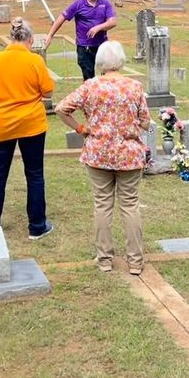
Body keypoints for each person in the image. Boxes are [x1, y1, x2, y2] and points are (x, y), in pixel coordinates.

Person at [56, 40, 150, 271]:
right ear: (121, 61)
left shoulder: (90, 86)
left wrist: (81, 128)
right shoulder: (134, 87)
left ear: (100, 62)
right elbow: (146, 121)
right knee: (130, 206)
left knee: (102, 204)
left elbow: (61, 108)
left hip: (98, 153)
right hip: (128, 154)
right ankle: (135, 261)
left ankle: (105, 259)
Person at [0, 20, 57, 240]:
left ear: (11, 38)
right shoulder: (34, 60)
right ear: (30, 40)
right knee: (34, 175)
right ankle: (37, 225)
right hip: (30, 124)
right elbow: (49, 91)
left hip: (1, 124)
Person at [45, 0, 116, 80]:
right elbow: (62, 17)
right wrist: (50, 35)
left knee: (108, 77)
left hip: (102, 45)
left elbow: (113, 22)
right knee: (88, 78)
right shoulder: (79, 4)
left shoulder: (105, 3)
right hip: (85, 47)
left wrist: (99, 27)